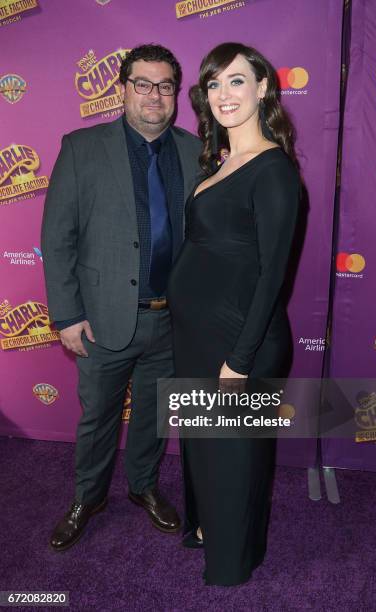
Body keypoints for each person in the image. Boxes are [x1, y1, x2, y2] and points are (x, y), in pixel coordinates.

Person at [41, 44, 202, 551]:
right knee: (97, 420)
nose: (154, 95)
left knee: (155, 415)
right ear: (122, 89)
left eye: (165, 86)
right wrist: (67, 315)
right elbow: (58, 237)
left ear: (177, 94)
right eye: (143, 84)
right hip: (102, 318)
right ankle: (88, 497)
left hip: (172, 320)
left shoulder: (194, 151)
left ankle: (144, 486)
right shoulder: (82, 147)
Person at [167, 42, 301, 585]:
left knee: (233, 460)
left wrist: (239, 360)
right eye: (215, 84)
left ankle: (231, 561)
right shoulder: (220, 163)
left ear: (263, 87)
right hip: (197, 335)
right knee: (203, 445)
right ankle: (207, 529)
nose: (224, 95)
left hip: (239, 341)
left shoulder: (274, 170)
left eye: (237, 81)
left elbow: (273, 275)